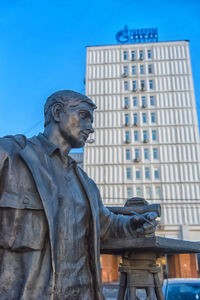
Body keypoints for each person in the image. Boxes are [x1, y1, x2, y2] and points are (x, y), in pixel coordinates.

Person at [0, 90, 157, 300]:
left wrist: (133, 224)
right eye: (84, 115)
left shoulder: (86, 184)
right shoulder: (10, 156)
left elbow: (107, 225)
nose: (90, 128)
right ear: (57, 112)